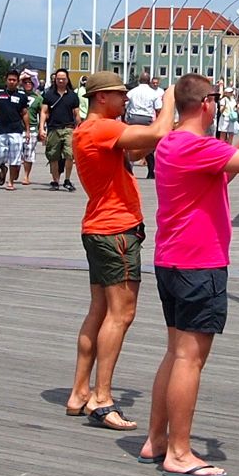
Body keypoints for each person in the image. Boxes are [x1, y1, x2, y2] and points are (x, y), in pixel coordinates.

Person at [142, 75, 239, 476]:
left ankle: (157, 439)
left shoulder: (170, 143)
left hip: (171, 261)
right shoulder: (197, 146)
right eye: (215, 100)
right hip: (199, 264)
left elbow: (219, 172)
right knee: (190, 358)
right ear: (207, 104)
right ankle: (179, 453)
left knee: (175, 352)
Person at [66, 71, 172, 430]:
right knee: (121, 315)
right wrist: (169, 97)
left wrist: (154, 133)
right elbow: (156, 133)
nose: (126, 99)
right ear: (101, 98)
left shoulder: (87, 131)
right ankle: (102, 397)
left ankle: (79, 391)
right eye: (120, 94)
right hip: (117, 232)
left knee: (98, 310)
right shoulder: (102, 129)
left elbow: (141, 149)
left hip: (97, 229)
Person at [39, 69, 82, 191]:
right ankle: (55, 180)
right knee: (53, 155)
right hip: (53, 128)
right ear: (55, 80)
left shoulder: (73, 96)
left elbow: (77, 113)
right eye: (58, 79)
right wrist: (41, 128)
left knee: (69, 154)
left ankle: (67, 180)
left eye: (63, 78)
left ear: (67, 79)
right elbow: (44, 112)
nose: (61, 81)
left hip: (69, 128)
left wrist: (79, 128)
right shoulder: (49, 95)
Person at [0, 69, 30, 190]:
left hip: (16, 130)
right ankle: (3, 169)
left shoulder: (21, 96)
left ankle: (10, 182)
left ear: (17, 82)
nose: (11, 82)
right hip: (2, 130)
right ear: (6, 81)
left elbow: (25, 113)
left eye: (14, 80)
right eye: (9, 80)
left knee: (15, 158)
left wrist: (27, 130)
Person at [125, 71, 161, 178]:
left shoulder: (132, 92)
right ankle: (151, 171)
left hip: (134, 118)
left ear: (139, 80)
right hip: (147, 119)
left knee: (131, 145)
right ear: (149, 81)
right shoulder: (153, 93)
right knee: (148, 145)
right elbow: (158, 108)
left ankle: (129, 170)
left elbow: (125, 104)